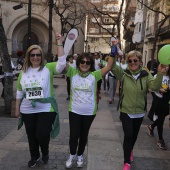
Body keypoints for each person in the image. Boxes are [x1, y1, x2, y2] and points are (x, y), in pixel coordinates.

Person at [15, 33, 66, 168]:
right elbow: (19, 92)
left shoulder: (48, 68)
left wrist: (59, 43)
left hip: (46, 108)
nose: (35, 57)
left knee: (42, 133)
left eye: (38, 55)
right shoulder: (23, 71)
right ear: (28, 57)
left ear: (41, 56)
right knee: (31, 135)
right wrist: (16, 110)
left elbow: (62, 64)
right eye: (33, 55)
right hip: (27, 108)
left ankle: (45, 151)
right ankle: (34, 156)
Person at [111, 50, 166, 170]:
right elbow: (113, 67)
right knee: (128, 135)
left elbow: (154, 87)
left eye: (135, 60)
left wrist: (160, 74)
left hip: (139, 112)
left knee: (134, 136)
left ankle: (130, 149)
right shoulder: (124, 73)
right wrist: (113, 53)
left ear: (140, 62)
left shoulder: (146, 75)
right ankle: (126, 162)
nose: (132, 62)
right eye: (130, 60)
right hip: (126, 110)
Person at [63, 52, 115, 168]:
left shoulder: (95, 75)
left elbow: (109, 67)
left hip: (89, 111)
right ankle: (72, 155)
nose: (85, 64)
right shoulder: (72, 72)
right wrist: (60, 44)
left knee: (83, 134)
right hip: (74, 110)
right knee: (74, 135)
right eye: (82, 62)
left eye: (88, 62)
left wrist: (113, 51)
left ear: (91, 64)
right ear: (78, 63)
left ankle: (80, 154)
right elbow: (62, 62)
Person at [146, 64, 170, 150]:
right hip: (158, 100)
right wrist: (159, 89)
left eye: (167, 66)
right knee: (161, 119)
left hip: (166, 100)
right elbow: (151, 88)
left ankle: (151, 126)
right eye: (164, 66)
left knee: (162, 117)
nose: (166, 67)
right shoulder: (157, 76)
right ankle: (160, 139)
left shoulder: (169, 77)